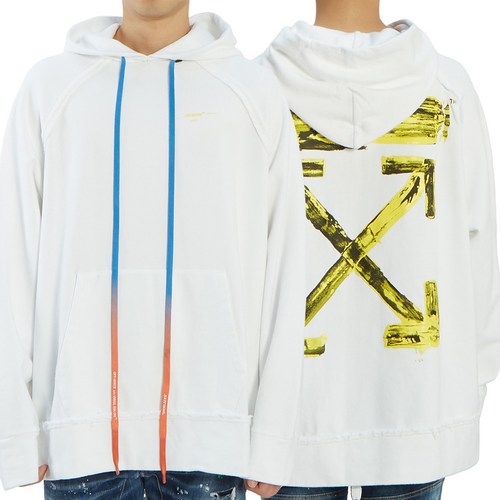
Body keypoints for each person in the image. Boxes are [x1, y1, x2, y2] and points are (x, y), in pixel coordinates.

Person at [0, 0, 306, 497]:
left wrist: (274, 438)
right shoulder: (50, 88)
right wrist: (14, 431)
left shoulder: (251, 92)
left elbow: (286, 267)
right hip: (79, 443)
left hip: (211, 441)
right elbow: (12, 258)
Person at [257, 0, 500, 499]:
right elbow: (480, 245)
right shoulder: (447, 88)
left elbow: (234, 252)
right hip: (419, 400)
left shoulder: (255, 89)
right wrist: (468, 382)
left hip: (290, 410)